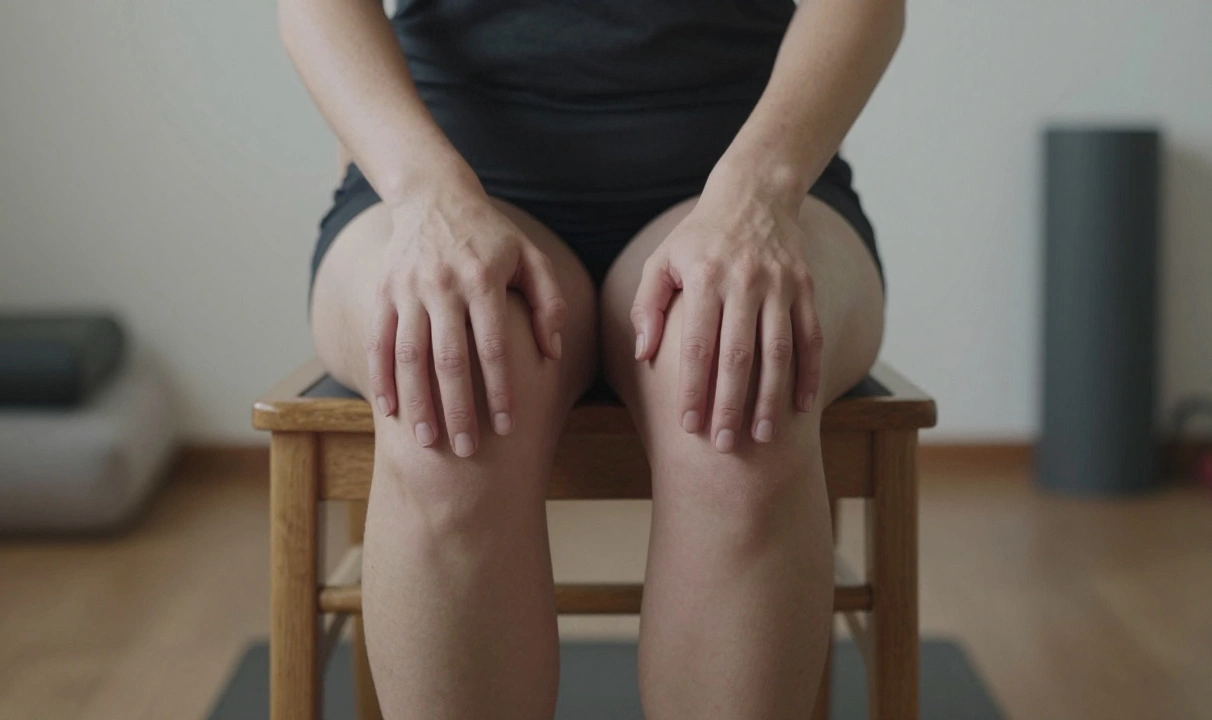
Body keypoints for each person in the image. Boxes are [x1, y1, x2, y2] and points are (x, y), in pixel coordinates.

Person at [283, 0, 900, 716]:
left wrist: (757, 195)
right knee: (452, 410)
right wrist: (427, 196)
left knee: (737, 406)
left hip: (753, 178)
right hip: (439, 183)